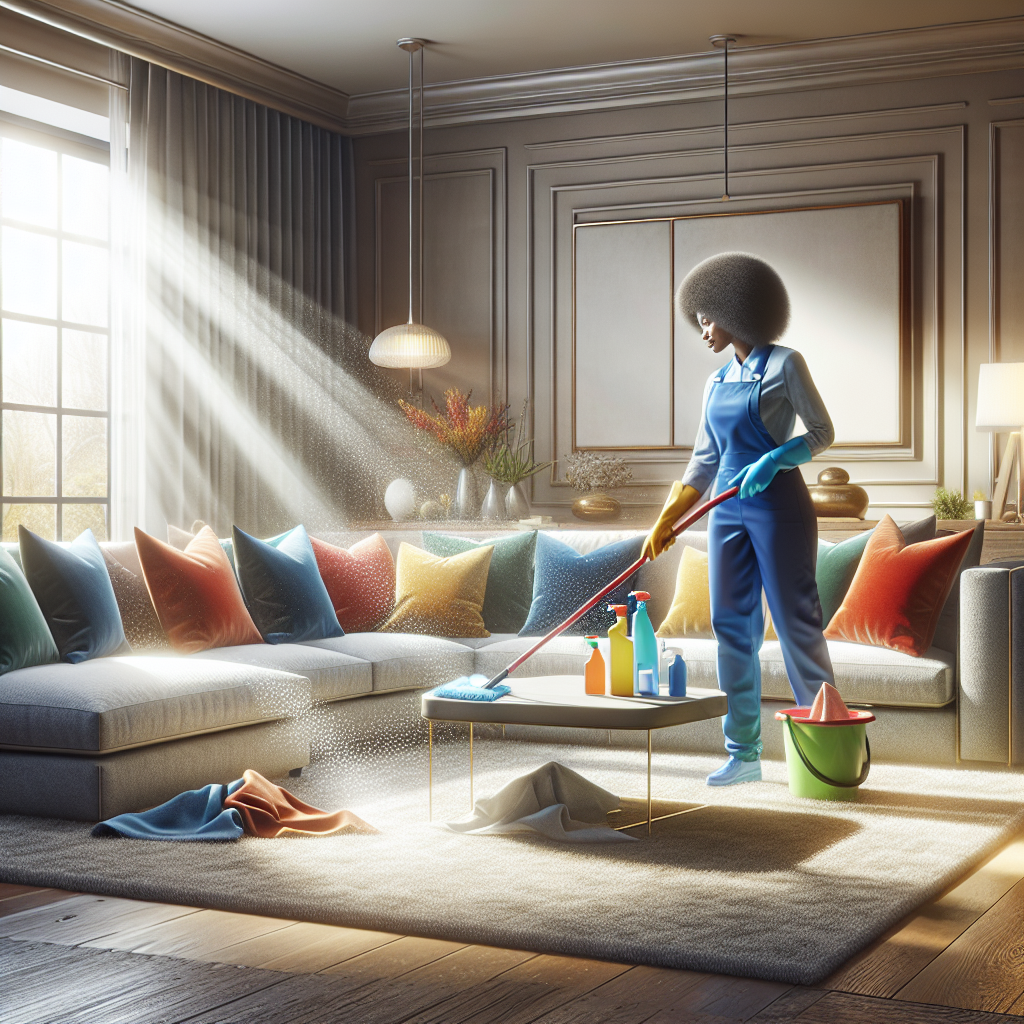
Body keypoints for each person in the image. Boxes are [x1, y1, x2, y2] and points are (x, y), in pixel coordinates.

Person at [643, 252, 835, 786]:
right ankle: (743, 753)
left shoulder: (786, 364)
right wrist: (668, 517)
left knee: (796, 625)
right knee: (732, 627)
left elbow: (821, 432)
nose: (703, 328)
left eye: (709, 316)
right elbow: (704, 460)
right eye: (698, 318)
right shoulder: (716, 381)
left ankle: (826, 750)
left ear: (739, 309)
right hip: (725, 510)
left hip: (779, 507)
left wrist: (774, 459)